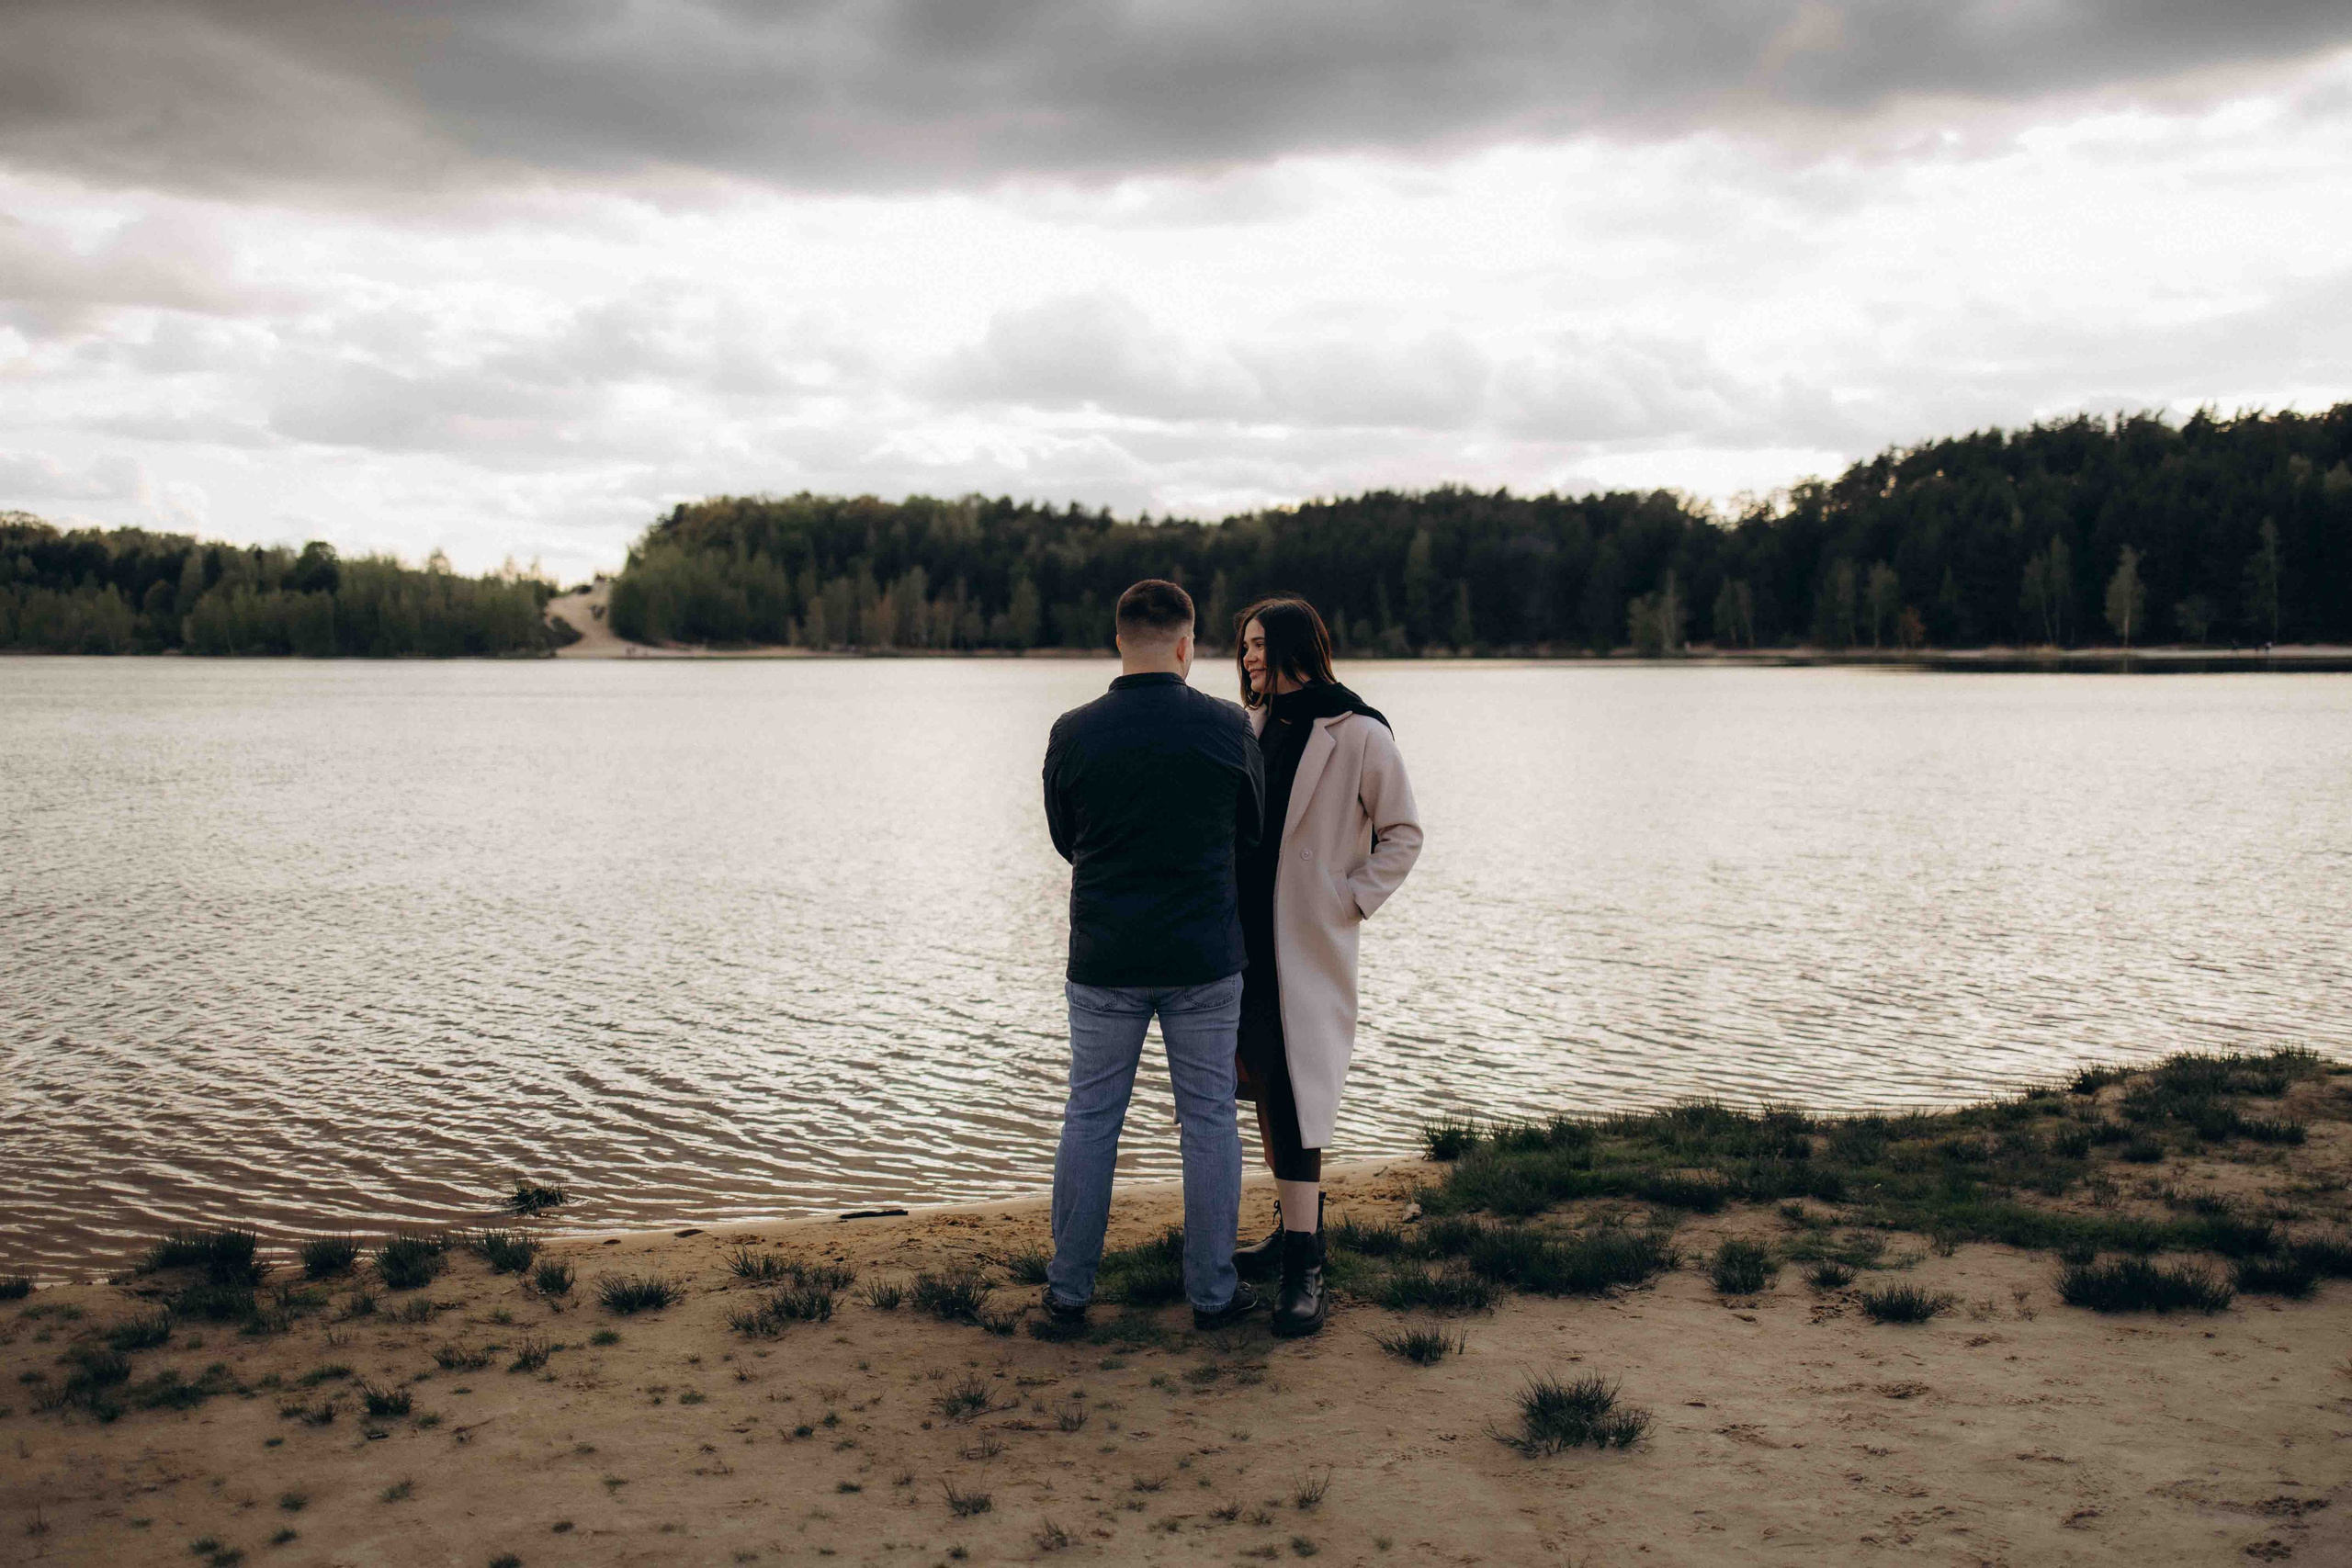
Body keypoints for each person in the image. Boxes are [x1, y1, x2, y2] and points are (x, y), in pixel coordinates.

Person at [1041, 579, 1268, 1331]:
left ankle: (1069, 1293)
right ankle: (1212, 1293)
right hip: (1204, 956)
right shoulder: (1229, 726)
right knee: (1208, 1121)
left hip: (1106, 955)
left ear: (1117, 642)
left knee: (1090, 1115)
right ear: (1186, 645)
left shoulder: (1073, 730)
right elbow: (1251, 832)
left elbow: (1065, 839)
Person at [1230, 596, 1422, 1337]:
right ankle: (1292, 1225)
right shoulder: (1247, 725)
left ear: (1292, 645)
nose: (1246, 658)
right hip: (1243, 936)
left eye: (1256, 645)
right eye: (1242, 646)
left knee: (1300, 1087)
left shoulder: (1360, 730)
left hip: (1308, 938)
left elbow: (1403, 832)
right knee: (1266, 1085)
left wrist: (1352, 899)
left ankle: (1306, 1265)